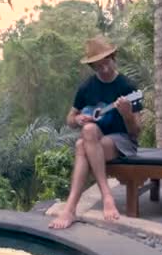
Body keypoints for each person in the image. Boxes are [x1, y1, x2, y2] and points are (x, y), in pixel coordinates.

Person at [49, 35, 142, 229]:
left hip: (123, 142)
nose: (105, 69)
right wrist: (77, 119)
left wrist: (127, 115)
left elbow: (136, 132)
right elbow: (70, 119)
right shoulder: (86, 88)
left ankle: (70, 208)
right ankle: (105, 196)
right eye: (99, 66)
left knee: (81, 145)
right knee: (89, 130)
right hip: (96, 140)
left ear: (113, 58)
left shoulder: (128, 88)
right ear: (92, 67)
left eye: (107, 63)